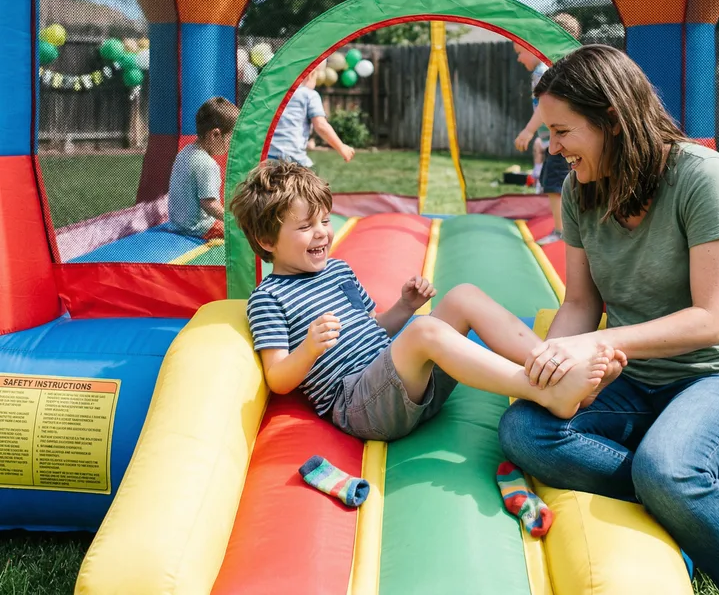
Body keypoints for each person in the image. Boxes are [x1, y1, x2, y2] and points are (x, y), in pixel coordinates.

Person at [498, 45, 719, 595]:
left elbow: (713, 320)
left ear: (612, 121)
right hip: (635, 380)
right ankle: (681, 503)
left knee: (667, 469)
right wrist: (550, 367)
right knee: (525, 431)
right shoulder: (579, 191)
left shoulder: (702, 177)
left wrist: (598, 346)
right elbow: (580, 302)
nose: (552, 147)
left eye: (562, 132)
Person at [229, 160, 624, 442]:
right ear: (267, 242)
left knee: (462, 296)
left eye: (325, 221)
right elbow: (278, 378)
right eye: (305, 227)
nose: (321, 234)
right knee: (424, 331)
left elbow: (374, 329)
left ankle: (553, 367)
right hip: (362, 405)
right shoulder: (269, 298)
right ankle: (542, 390)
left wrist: (403, 307)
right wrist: (310, 349)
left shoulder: (338, 271)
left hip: (404, 382)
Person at [514, 12, 581, 244]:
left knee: (554, 182)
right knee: (563, 179)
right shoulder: (565, 66)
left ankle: (561, 232)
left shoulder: (546, 71)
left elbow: (544, 108)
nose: (518, 59)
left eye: (520, 52)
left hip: (562, 138)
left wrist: (529, 131)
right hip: (564, 136)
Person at [167, 96, 239, 239]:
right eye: (231, 140)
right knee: (244, 234)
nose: (231, 146)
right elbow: (209, 203)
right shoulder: (207, 164)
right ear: (215, 134)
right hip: (198, 228)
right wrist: (234, 222)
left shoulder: (185, 152)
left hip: (176, 224)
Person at [268, 65, 355, 166]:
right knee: (310, 180)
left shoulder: (276, 94)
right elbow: (321, 125)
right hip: (292, 157)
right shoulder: (309, 95)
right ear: (310, 76)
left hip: (268, 156)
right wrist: (341, 147)